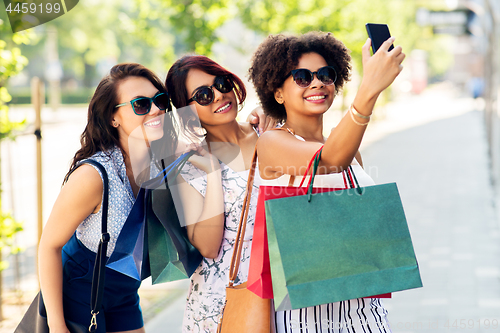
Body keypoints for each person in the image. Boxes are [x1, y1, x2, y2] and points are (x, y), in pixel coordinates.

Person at [248, 32, 405, 332]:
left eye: (325, 74)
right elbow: (328, 162)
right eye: (302, 77)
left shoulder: (346, 147)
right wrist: (368, 90)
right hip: (305, 317)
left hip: (364, 312)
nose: (317, 83)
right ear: (277, 93)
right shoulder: (272, 142)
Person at [38, 63, 173, 333]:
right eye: (140, 104)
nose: (156, 109)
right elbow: (48, 247)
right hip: (80, 292)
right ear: (114, 118)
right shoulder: (94, 176)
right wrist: (56, 325)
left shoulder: (161, 163)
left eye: (160, 100)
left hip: (124, 292)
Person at [165, 55, 264, 333]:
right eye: (203, 95)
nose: (219, 95)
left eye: (221, 83)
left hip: (279, 292)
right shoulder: (188, 165)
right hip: (222, 304)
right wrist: (212, 171)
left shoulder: (268, 132)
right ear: (187, 110)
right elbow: (209, 247)